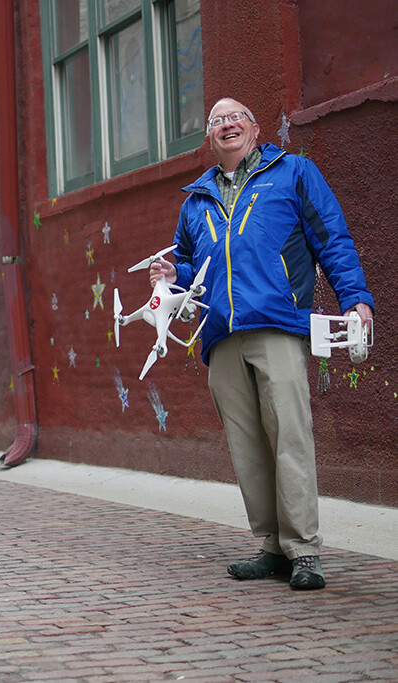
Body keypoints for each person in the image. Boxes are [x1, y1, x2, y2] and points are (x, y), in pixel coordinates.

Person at [150, 97, 374, 590]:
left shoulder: (293, 173)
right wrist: (172, 273)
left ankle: (304, 551)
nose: (226, 124)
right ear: (209, 139)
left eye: (236, 117)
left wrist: (355, 298)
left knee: (289, 436)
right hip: (221, 335)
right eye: (216, 121)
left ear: (254, 129)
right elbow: (192, 268)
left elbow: (331, 238)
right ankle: (272, 545)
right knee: (247, 445)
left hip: (277, 324)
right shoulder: (196, 200)